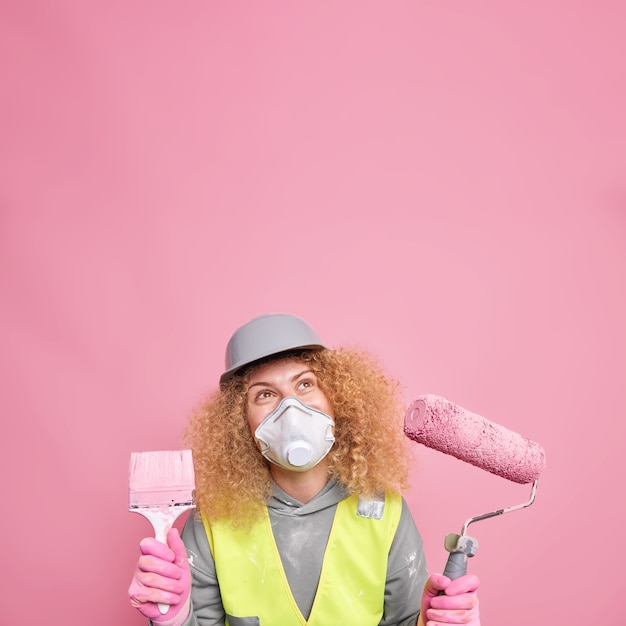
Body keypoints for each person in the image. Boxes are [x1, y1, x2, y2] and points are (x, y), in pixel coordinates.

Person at [129, 313, 480, 625]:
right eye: (265, 394)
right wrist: (174, 618)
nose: (290, 408)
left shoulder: (384, 511)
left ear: (336, 397)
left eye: (305, 384)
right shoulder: (213, 520)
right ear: (240, 422)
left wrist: (440, 622)